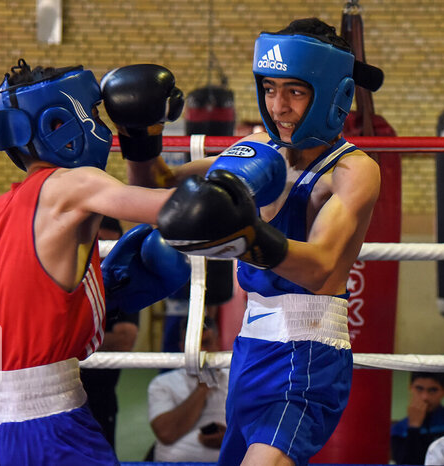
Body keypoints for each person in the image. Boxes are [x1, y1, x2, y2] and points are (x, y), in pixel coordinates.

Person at [105, 17, 383, 466]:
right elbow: (159, 186)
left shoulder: (353, 171)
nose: (279, 106)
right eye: (269, 88)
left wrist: (245, 237)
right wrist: (140, 136)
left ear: (335, 94)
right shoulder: (256, 147)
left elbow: (320, 266)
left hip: (307, 352)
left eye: (295, 91)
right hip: (251, 347)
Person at [0, 59, 190, 465]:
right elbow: (185, 210)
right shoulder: (75, 183)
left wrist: (102, 297)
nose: (103, 126)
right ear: (61, 124)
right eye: (97, 113)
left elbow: (26, 301)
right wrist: (255, 159)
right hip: (49, 425)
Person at [79, 216, 140, 449]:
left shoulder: (123, 280)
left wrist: (72, 341)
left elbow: (125, 340)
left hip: (101, 391)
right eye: (98, 242)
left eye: (108, 245)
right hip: (59, 390)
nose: (103, 252)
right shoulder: (72, 273)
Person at [147, 316, 228, 462]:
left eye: (206, 343)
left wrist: (229, 438)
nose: (201, 351)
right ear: (182, 347)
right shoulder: (162, 384)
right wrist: (202, 387)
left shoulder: (235, 379)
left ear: (218, 342)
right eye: (194, 347)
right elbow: (166, 434)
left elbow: (258, 427)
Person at [391, 372, 444, 464]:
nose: (425, 397)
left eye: (433, 390)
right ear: (410, 388)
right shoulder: (399, 429)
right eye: (419, 388)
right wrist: (413, 427)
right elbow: (406, 463)